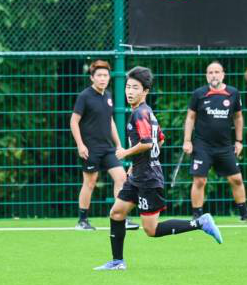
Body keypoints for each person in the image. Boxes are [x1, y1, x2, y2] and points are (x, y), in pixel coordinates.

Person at [94, 66, 223, 271]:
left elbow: (146, 142)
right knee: (117, 213)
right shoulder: (146, 112)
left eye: (135, 88)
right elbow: (159, 140)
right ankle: (117, 262)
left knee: (151, 230)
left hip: (148, 179)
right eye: (128, 87)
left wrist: (127, 153)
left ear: (145, 91)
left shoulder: (140, 114)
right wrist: (138, 163)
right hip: (139, 174)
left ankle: (200, 223)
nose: (130, 91)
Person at [183, 61, 247, 221]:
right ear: (207, 75)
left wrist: (239, 141)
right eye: (210, 72)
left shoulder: (233, 93)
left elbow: (238, 118)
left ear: (223, 74)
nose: (213, 75)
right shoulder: (199, 94)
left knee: (236, 179)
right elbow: (190, 117)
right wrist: (187, 141)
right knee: (199, 180)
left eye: (216, 72)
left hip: (224, 146)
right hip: (202, 146)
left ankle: (244, 214)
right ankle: (197, 216)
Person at [70, 60, 138, 230]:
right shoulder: (84, 96)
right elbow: (74, 121)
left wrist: (118, 144)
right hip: (90, 148)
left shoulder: (107, 96)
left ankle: (121, 217)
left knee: (122, 178)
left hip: (108, 149)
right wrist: (80, 145)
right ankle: (82, 221)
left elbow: (110, 121)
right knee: (90, 182)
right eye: (99, 75)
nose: (102, 78)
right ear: (92, 78)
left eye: (105, 75)